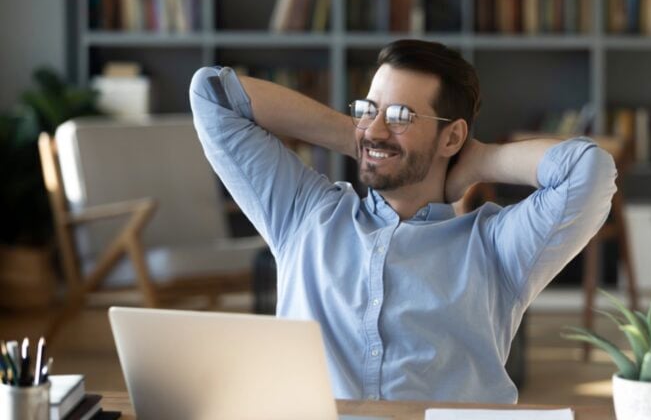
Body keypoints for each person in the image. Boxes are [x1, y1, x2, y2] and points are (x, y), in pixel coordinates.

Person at [189, 39, 617, 403]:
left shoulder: (495, 246)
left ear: (452, 137)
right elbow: (212, 94)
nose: (375, 128)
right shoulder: (303, 213)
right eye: (369, 109)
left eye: (400, 117)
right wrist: (362, 139)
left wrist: (477, 162)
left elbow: (590, 171)